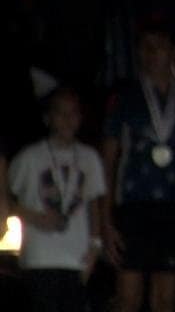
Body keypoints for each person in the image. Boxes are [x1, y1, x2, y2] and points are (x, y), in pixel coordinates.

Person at [101, 23, 175, 312]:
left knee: (166, 300)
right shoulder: (124, 98)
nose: (152, 54)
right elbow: (108, 160)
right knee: (127, 298)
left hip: (174, 207)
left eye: (159, 46)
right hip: (132, 206)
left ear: (174, 52)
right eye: (145, 47)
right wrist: (106, 218)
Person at [7, 88, 107, 312]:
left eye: (72, 113)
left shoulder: (89, 158)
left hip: (77, 258)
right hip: (39, 258)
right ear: (48, 118)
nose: (67, 120)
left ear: (80, 118)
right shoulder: (29, 157)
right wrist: (35, 217)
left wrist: (95, 245)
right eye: (60, 113)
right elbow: (6, 200)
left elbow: (94, 204)